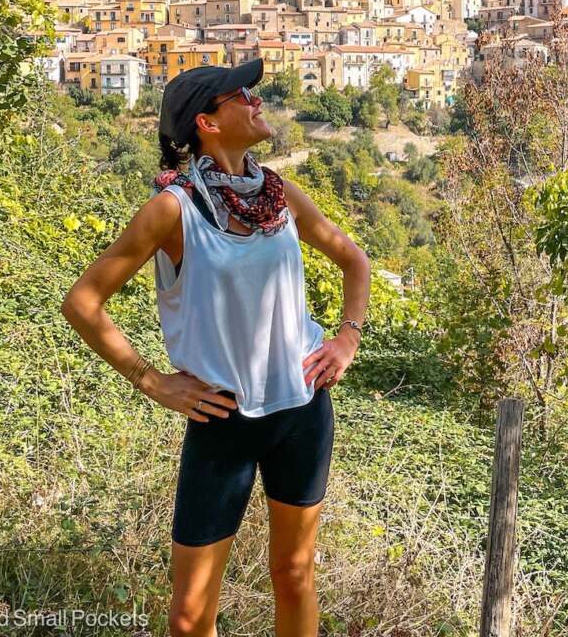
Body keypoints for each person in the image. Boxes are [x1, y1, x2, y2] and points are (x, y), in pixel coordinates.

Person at [61, 59, 371, 637]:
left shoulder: (278, 195)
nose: (256, 100)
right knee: (188, 615)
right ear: (206, 122)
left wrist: (347, 336)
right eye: (241, 95)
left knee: (295, 574)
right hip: (221, 417)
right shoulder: (172, 210)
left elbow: (354, 260)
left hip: (302, 411)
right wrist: (151, 380)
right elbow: (82, 302)